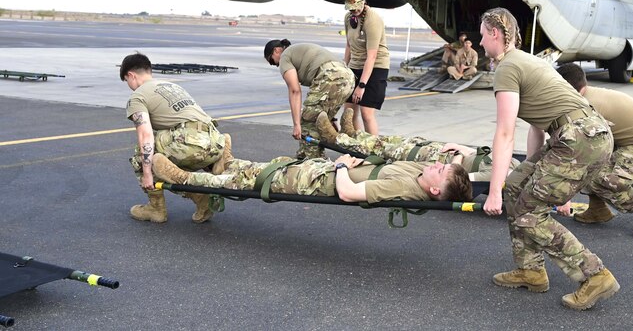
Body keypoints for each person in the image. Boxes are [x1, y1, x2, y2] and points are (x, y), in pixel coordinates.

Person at [478, 7, 619, 311]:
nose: (479, 43)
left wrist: (493, 193)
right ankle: (531, 270)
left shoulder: (507, 68)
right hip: (584, 134)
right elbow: (538, 125)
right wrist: (537, 178)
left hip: (577, 139)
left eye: (481, 36)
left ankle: (594, 275)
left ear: (494, 33)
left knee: (530, 212)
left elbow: (504, 134)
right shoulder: (528, 61)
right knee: (517, 187)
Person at [556, 63, 633, 239]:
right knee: (591, 167)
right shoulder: (586, 95)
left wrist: (564, 195)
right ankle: (598, 210)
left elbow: (580, 150)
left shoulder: (588, 106)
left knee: (602, 178)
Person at [120, 52, 231, 224]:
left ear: (131, 75)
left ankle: (157, 208)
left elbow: (145, 135)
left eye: (127, 81)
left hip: (192, 143)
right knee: (168, 141)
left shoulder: (138, 96)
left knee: (143, 154)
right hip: (215, 139)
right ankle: (217, 160)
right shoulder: (171, 86)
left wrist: (147, 173)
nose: (130, 86)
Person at [148, 151, 474, 204]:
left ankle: (185, 178)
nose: (437, 165)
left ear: (433, 189)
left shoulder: (402, 188)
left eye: (441, 171)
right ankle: (229, 163)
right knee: (265, 167)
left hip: (319, 182)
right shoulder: (420, 175)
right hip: (321, 171)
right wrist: (457, 160)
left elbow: (348, 193)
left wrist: (344, 165)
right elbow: (449, 168)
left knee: (252, 182)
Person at [314, 109, 519, 181]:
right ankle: (353, 134)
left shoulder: (498, 175)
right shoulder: (514, 164)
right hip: (439, 149)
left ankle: (336, 139)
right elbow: (482, 153)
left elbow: (458, 177)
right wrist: (462, 148)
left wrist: (458, 155)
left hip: (436, 161)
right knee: (393, 141)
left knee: (386, 150)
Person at [264, 39, 356, 160]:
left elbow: (294, 91)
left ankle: (312, 163)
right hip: (348, 78)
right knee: (318, 120)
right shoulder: (297, 51)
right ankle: (308, 156)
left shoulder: (284, 57)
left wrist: (297, 124)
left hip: (330, 76)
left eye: (272, 61)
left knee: (307, 123)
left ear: (276, 51)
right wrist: (329, 117)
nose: (275, 65)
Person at [343, 0, 390, 135]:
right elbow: (349, 45)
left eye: (357, 7)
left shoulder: (373, 20)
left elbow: (372, 56)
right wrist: (345, 69)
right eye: (351, 8)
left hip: (375, 66)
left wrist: (361, 86)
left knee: (366, 113)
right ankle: (358, 146)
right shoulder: (348, 18)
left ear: (364, 1)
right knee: (349, 113)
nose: (354, 11)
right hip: (355, 65)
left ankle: (373, 151)